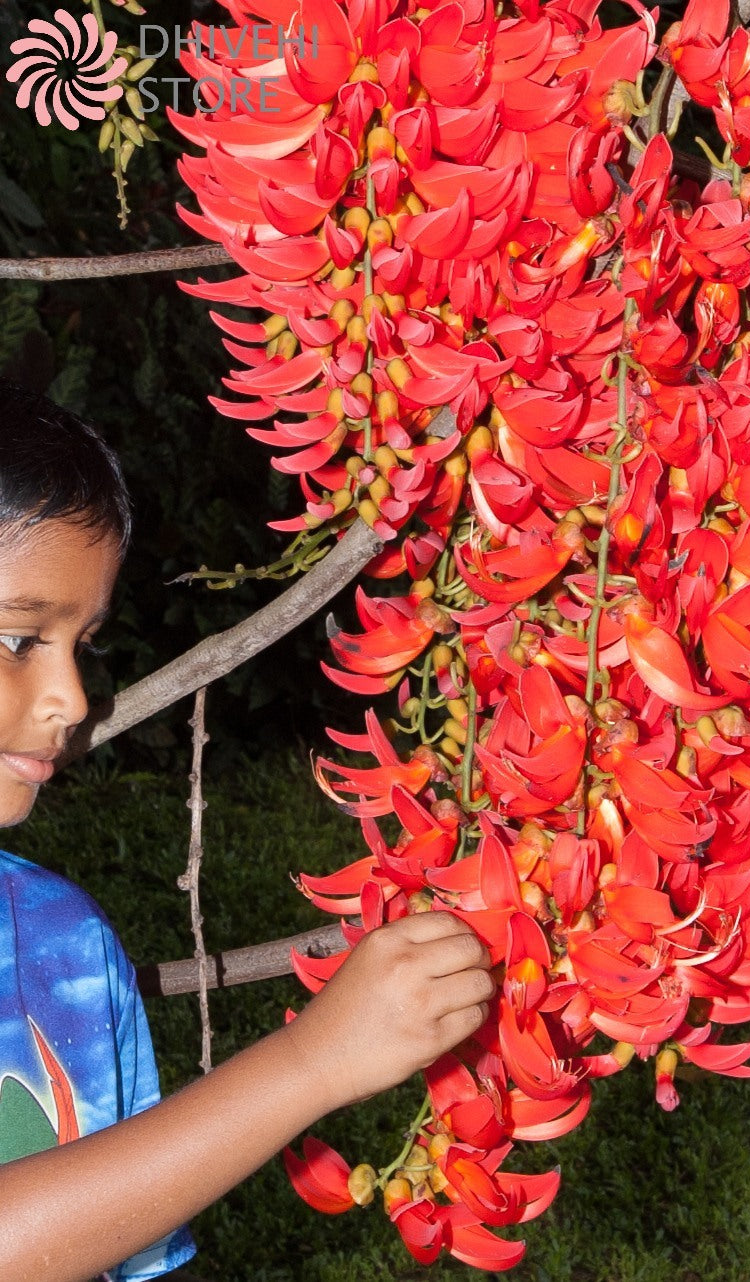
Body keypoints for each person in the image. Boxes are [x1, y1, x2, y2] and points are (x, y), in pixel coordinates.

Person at [0, 381, 495, 1282]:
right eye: (20, 639)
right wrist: (309, 1064)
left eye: (84, 644)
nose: (70, 700)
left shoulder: (68, 939)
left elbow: (120, 1248)